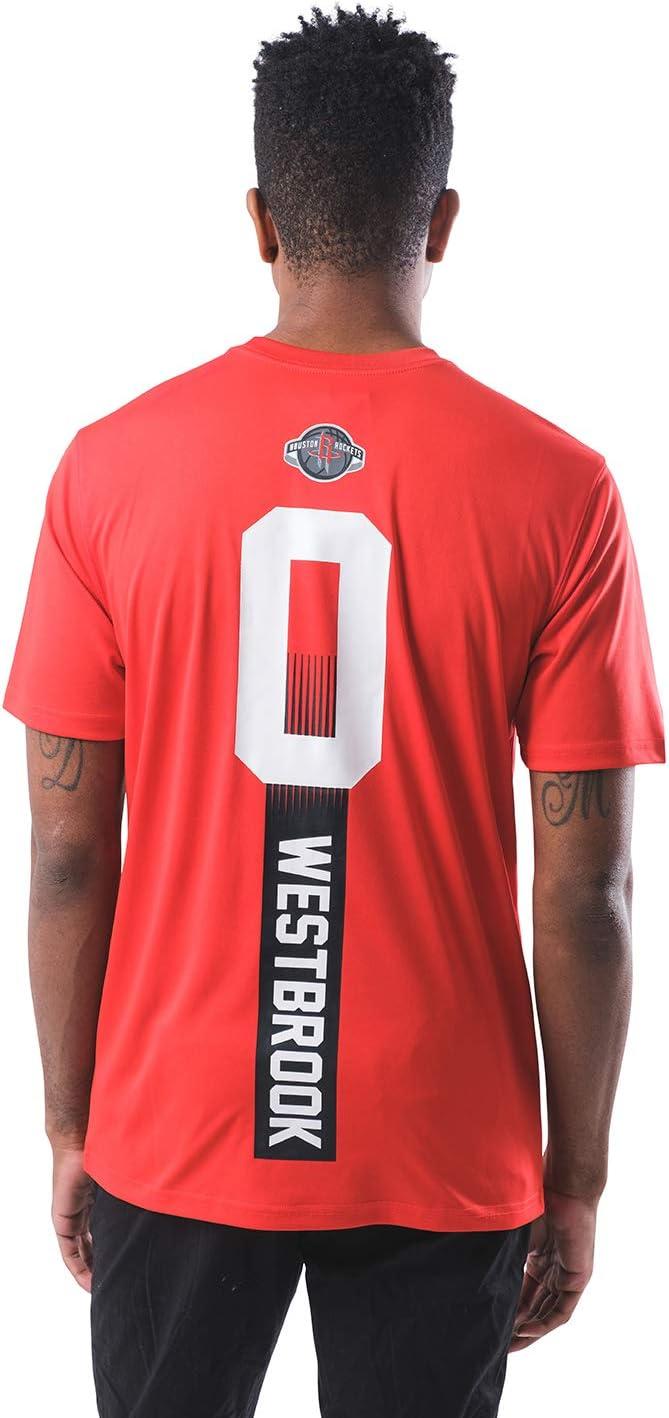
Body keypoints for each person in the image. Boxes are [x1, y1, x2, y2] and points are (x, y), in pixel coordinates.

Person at [4, 7, 664, 1417]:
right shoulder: (560, 490)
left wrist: (69, 1121)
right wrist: (579, 1174)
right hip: (442, 1130)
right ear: (443, 222)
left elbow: (66, 853)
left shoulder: (106, 471)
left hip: (177, 1120)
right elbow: (587, 885)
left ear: (258, 219)